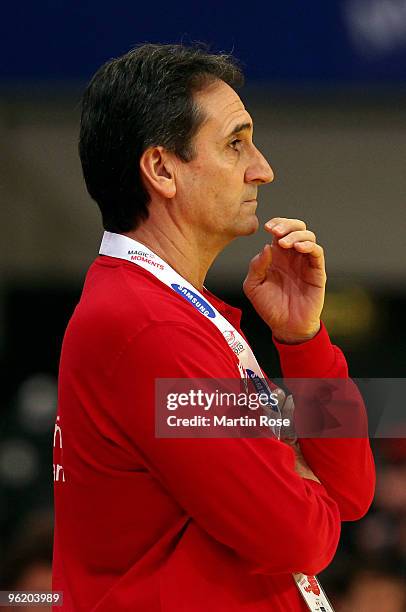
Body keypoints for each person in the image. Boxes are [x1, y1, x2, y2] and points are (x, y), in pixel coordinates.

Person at [52, 44, 375, 611]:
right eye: (235, 143)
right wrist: (294, 468)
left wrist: (304, 343)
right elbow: (303, 538)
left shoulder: (171, 310)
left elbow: (350, 492)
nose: (263, 169)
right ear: (161, 169)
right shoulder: (148, 327)